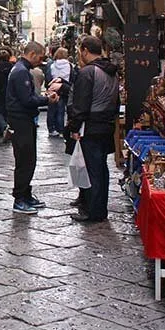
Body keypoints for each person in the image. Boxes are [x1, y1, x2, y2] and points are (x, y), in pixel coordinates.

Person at [66, 36, 119, 223]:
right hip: (106, 125)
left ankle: (93, 211)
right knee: (101, 169)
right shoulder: (112, 71)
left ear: (85, 50)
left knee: (92, 169)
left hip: (90, 126)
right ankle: (99, 208)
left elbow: (81, 104)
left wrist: (74, 126)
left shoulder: (88, 72)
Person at [6, 41, 60, 214]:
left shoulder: (22, 70)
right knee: (25, 160)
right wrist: (47, 100)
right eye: (40, 57)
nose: (41, 61)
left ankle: (26, 194)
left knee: (29, 159)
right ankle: (19, 199)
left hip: (23, 120)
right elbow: (27, 100)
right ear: (33, 54)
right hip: (20, 120)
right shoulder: (21, 72)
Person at [46, 47, 72, 137]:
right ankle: (60, 130)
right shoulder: (69, 65)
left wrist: (49, 87)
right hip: (63, 89)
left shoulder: (52, 65)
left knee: (51, 110)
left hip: (53, 88)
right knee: (61, 111)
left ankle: (51, 129)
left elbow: (48, 77)